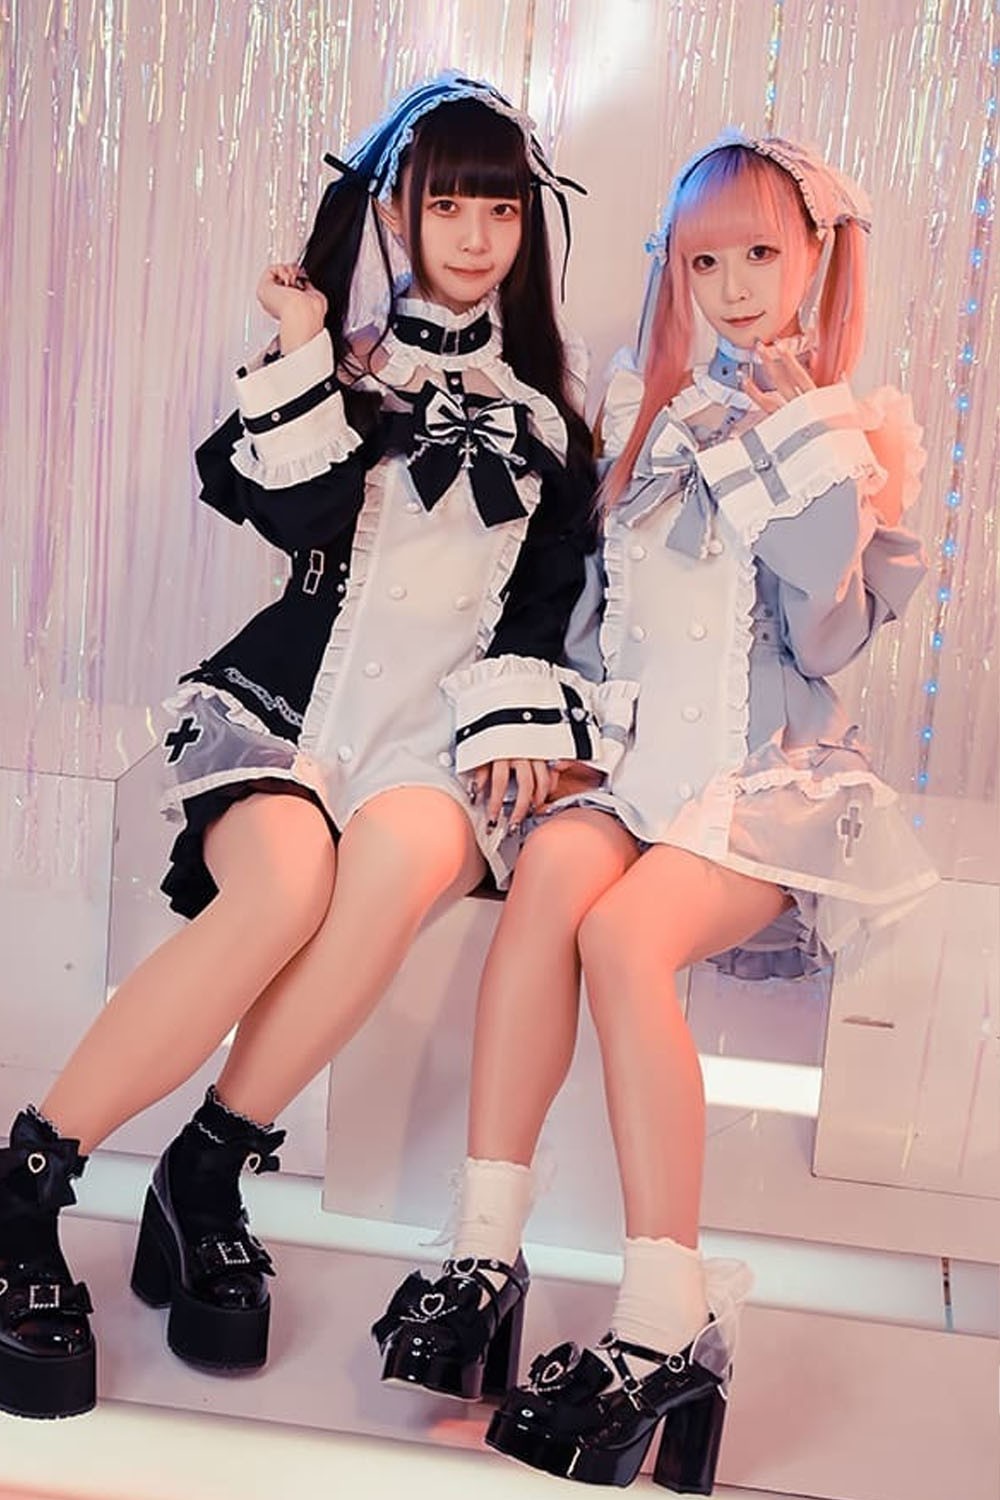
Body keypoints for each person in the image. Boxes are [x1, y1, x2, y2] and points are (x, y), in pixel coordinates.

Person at [0, 71, 614, 1420]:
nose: (474, 234)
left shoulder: (550, 422)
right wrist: (300, 339)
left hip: (435, 742)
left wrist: (521, 721)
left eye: (500, 207)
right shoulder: (336, 372)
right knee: (285, 887)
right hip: (291, 707)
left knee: (392, 871)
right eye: (445, 204)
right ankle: (28, 1186)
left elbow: (546, 608)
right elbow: (294, 519)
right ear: (392, 212)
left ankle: (207, 1170)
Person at [372, 132, 938, 1492]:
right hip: (634, 773)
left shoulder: (845, 429)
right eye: (704, 262)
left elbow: (826, 633)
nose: (734, 287)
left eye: (762, 255)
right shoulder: (645, 408)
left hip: (765, 784)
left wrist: (798, 438)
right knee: (550, 882)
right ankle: (484, 1253)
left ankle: (666, 1319)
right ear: (672, 271)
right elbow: (592, 622)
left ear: (817, 260)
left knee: (624, 938)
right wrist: (543, 737)